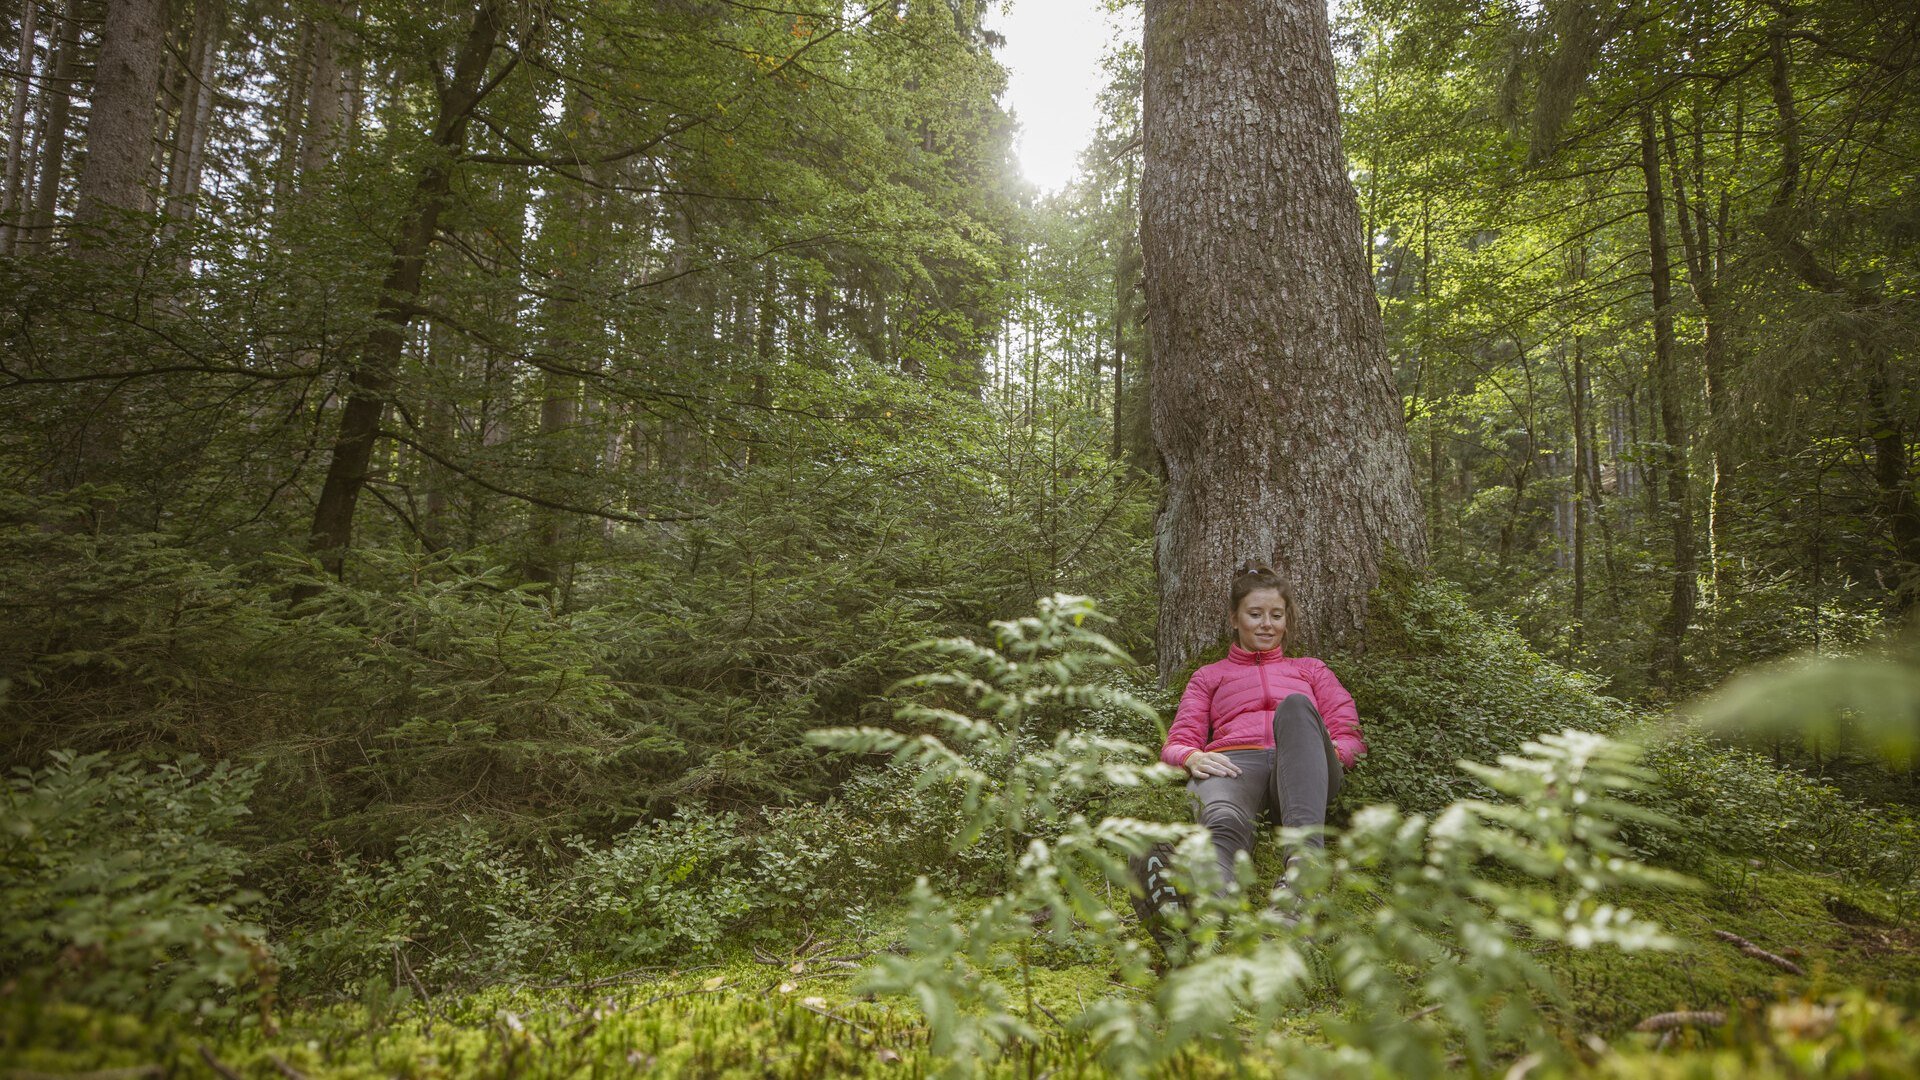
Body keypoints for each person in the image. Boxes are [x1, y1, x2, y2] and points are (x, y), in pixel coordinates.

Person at [1136, 563, 1365, 918]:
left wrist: (1328, 754)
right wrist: (1191, 757)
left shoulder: (1311, 669)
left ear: (1287, 619)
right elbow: (1177, 741)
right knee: (1223, 822)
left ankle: (1303, 879)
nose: (1267, 624)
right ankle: (1208, 909)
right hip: (1234, 765)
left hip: (1303, 766)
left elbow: (1349, 733)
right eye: (1255, 614)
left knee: (1296, 706)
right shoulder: (1209, 676)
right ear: (1234, 618)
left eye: (1276, 615)